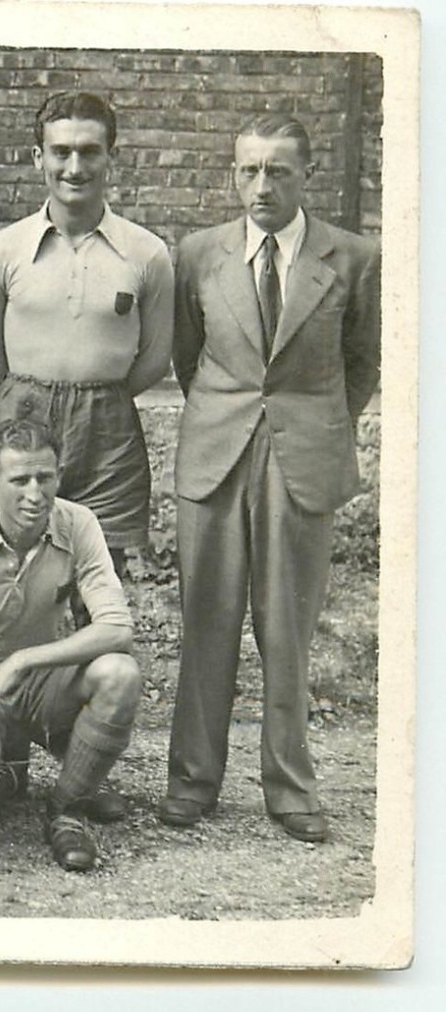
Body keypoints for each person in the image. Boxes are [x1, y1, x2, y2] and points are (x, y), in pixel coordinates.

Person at [160, 115, 381, 843]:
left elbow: (361, 362)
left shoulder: (351, 257)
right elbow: (187, 360)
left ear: (304, 176)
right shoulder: (197, 254)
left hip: (303, 459)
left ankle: (289, 789)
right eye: (248, 169)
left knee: (287, 630)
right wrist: (231, 414)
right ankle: (192, 780)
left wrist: (318, 425)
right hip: (216, 453)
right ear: (233, 174)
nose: (261, 185)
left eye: (277, 171)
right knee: (206, 625)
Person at [0, 418, 142, 872]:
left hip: (37, 680)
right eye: (19, 480)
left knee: (120, 673)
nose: (35, 494)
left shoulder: (78, 524)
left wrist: (24, 660)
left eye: (46, 477)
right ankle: (1, 768)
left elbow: (117, 628)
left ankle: (67, 809)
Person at [0, 91, 173, 580]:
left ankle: (89, 656)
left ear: (112, 157)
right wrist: (33, 396)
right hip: (20, 415)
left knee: (100, 573)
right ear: (39, 157)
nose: (75, 167)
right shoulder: (2, 250)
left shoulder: (147, 254)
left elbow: (154, 359)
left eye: (89, 151)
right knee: (2, 568)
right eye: (61, 152)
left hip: (108, 428)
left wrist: (96, 395)